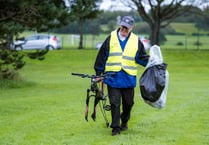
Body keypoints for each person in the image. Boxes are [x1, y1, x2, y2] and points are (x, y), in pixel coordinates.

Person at [94, 15, 149, 136]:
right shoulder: (111, 38)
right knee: (114, 103)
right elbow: (102, 56)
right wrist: (98, 73)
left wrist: (153, 63)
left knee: (128, 103)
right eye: (123, 27)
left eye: (127, 28)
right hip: (112, 78)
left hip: (128, 78)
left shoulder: (136, 40)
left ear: (132, 28)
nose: (124, 30)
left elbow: (141, 58)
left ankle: (124, 121)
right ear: (120, 25)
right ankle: (116, 128)